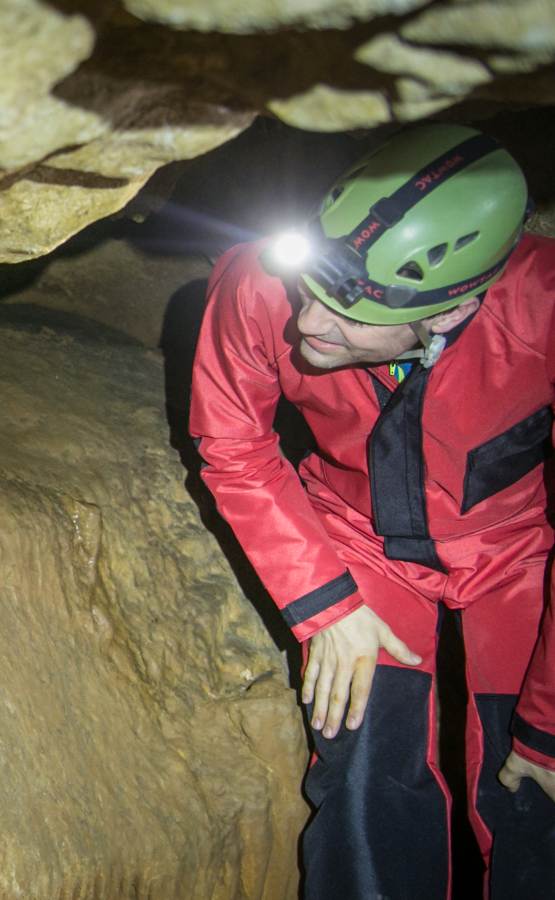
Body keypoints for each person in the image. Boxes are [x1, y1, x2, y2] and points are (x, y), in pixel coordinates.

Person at [190, 123, 555, 897]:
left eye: (352, 312)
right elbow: (235, 444)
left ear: (447, 315)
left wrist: (550, 720)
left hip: (512, 545)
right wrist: (323, 602)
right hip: (358, 534)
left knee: (535, 788)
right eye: (309, 286)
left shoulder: (542, 313)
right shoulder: (258, 281)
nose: (308, 325)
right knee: (361, 770)